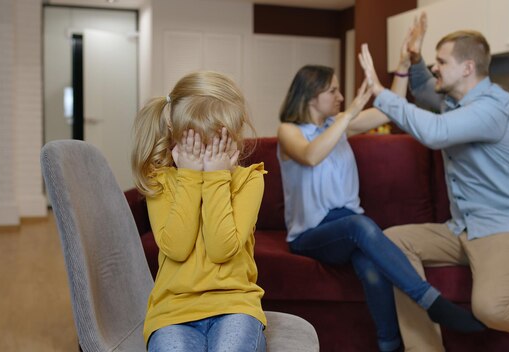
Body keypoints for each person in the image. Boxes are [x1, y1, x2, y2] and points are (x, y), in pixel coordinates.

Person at [359, 13, 509, 352]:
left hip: (508, 228)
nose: (436, 67)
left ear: (467, 67)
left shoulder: (494, 107)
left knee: (491, 307)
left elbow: (435, 132)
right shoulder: (455, 102)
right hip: (463, 228)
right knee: (392, 244)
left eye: (441, 61)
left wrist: (381, 92)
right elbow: (425, 91)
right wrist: (414, 58)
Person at [276, 55, 485, 352]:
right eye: (333, 91)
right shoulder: (290, 131)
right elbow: (311, 155)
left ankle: (390, 346)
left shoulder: (338, 125)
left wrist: (401, 67)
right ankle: (431, 301)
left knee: (373, 271)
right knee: (360, 225)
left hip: (350, 229)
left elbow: (389, 108)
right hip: (311, 235)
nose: (341, 96)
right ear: (312, 95)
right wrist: (348, 115)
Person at [131, 71, 267, 352]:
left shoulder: (250, 180)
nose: (209, 156)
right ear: (179, 137)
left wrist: (217, 178)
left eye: (220, 144)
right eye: (200, 145)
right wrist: (190, 179)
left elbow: (221, 249)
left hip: (235, 305)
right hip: (173, 312)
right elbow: (177, 248)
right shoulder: (162, 181)